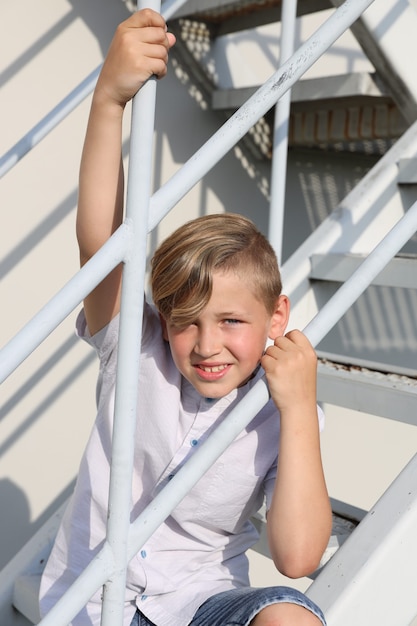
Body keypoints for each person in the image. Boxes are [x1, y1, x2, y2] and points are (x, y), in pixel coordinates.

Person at [39, 9, 332, 626]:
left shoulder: (284, 407)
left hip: (199, 600)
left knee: (293, 618)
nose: (205, 345)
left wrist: (300, 409)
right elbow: (101, 245)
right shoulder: (136, 346)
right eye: (186, 321)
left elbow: (299, 557)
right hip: (94, 597)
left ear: (277, 315)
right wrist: (109, 102)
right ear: (164, 318)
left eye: (231, 321)